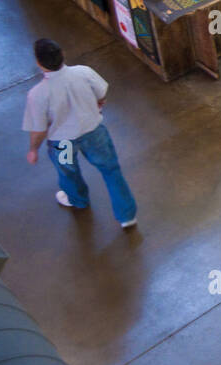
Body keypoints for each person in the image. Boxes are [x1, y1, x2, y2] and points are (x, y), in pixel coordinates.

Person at [23, 39, 137, 227]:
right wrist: (98, 103)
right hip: (94, 134)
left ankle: (78, 199)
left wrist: (33, 149)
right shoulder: (83, 72)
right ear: (63, 55)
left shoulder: (37, 94)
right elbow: (101, 93)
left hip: (64, 142)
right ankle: (127, 216)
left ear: (39, 63)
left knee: (69, 172)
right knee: (111, 171)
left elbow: (39, 129)